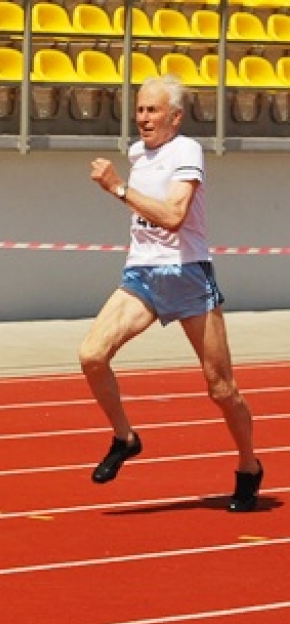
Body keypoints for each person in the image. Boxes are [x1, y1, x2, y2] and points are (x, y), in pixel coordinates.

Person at [80, 75, 264, 513]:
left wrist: (118, 189)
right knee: (91, 355)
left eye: (152, 110)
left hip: (188, 276)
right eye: (140, 109)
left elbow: (175, 216)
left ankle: (249, 466)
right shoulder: (137, 153)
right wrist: (124, 187)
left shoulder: (187, 152)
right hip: (142, 274)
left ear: (175, 117)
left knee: (221, 389)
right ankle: (125, 438)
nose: (143, 118)